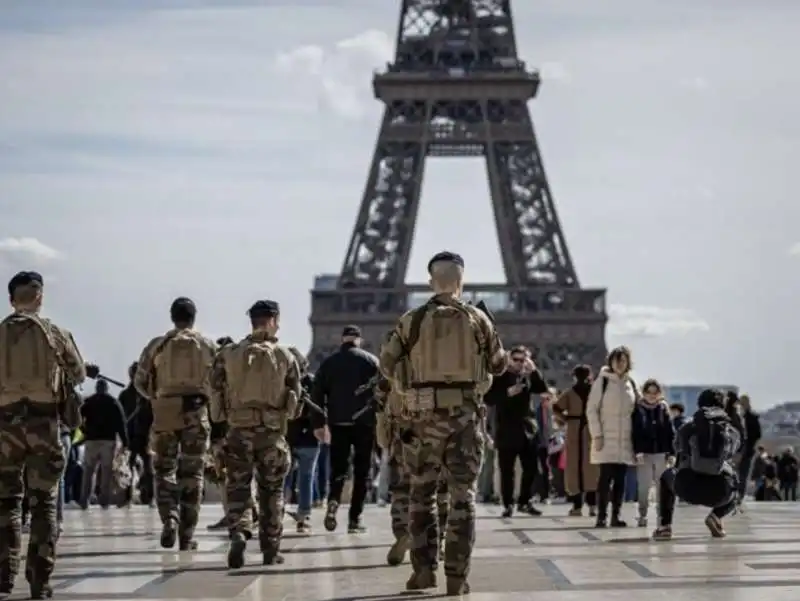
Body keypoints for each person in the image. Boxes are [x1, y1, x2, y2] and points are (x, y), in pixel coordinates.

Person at [379, 251, 508, 595]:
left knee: (421, 494)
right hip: (465, 419)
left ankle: (423, 572)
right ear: (462, 280)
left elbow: (386, 365)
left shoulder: (412, 320)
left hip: (422, 420)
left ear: (430, 281)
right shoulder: (478, 319)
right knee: (463, 497)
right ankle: (456, 577)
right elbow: (498, 366)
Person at [0, 271, 91, 600]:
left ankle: (4, 574)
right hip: (44, 425)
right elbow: (78, 373)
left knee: (5, 502)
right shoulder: (55, 333)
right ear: (39, 297)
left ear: (12, 299)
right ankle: (39, 579)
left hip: (4, 427)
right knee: (44, 504)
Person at [211, 300, 303, 569]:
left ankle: (240, 531)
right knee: (272, 492)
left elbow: (214, 391)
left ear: (251, 321)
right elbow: (294, 405)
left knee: (238, 488)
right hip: (272, 434)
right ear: (274, 320)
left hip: (238, 431)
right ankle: (270, 549)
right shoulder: (287, 356)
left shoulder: (228, 353)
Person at [134, 297, 216, 551]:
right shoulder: (207, 345)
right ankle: (187, 535)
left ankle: (169, 516)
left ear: (172, 317)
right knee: (193, 473)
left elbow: (140, 380)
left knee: (163, 470)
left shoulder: (158, 345)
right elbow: (220, 382)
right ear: (193, 317)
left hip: (165, 413)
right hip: (196, 412)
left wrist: (157, 398)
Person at [375, 376, 449, 567]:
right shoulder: (441, 355)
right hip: (437, 431)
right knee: (438, 490)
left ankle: (402, 533)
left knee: (402, 489)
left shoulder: (400, 349)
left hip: (404, 433)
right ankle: (437, 541)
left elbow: (381, 390)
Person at [312, 324, 379, 533]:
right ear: (358, 339)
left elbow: (316, 395)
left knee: (338, 469)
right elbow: (382, 392)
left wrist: (318, 423)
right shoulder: (371, 361)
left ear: (342, 340)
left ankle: (333, 502)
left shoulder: (329, 363)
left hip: (337, 423)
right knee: (362, 472)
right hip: (364, 424)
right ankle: (354, 519)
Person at [652, 389, 741, 540]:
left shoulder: (686, 428)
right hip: (719, 492)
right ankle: (716, 516)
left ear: (699, 405)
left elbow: (678, 451)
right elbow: (734, 454)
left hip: (687, 487)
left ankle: (664, 526)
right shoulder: (731, 432)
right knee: (736, 482)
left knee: (666, 476)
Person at [483, 344, 547, 517]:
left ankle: (524, 501)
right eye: (516, 359)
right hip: (506, 429)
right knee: (507, 471)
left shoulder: (528, 376)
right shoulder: (500, 377)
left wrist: (534, 371)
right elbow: (488, 398)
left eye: (523, 360)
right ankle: (508, 504)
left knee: (532, 468)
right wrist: (508, 393)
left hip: (527, 429)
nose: (519, 363)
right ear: (509, 359)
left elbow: (542, 388)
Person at [586, 346, 638, 528]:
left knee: (620, 481)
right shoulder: (602, 382)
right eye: (617, 360)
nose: (620, 364)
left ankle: (616, 516)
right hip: (606, 438)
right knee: (605, 479)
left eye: (623, 360)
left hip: (625, 440)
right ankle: (601, 516)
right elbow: (591, 409)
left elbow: (636, 412)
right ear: (611, 361)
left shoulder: (631, 384)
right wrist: (597, 435)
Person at [285, 346, 326, 534]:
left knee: (282, 477)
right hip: (309, 436)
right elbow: (320, 409)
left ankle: (277, 511)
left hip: (289, 436)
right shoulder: (313, 381)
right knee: (306, 477)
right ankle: (304, 515)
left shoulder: (283, 382)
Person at [553, 364, 599, 517]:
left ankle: (577, 505)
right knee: (591, 467)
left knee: (574, 467)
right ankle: (592, 505)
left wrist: (566, 419)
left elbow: (556, 407)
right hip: (589, 429)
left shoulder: (570, 393)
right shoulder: (595, 392)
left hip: (574, 429)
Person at [78, 379, 129, 509]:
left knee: (89, 471)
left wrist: (85, 431)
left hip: (91, 440)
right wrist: (125, 442)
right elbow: (121, 423)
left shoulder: (89, 402)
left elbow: (78, 418)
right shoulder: (113, 402)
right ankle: (104, 500)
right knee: (106, 472)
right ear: (106, 389)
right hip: (108, 441)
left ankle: (85, 500)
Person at [631, 379, 674, 527]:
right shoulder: (638, 409)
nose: (651, 395)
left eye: (654, 392)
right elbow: (635, 432)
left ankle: (661, 514)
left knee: (662, 485)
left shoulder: (663, 409)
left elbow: (670, 432)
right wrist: (637, 451)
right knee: (644, 486)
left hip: (661, 452)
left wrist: (672, 453)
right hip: (644, 453)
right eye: (648, 392)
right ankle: (642, 514)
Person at [118, 361, 154, 505]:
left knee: (149, 468)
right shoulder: (126, 395)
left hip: (145, 436)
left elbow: (153, 416)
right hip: (131, 436)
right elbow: (121, 418)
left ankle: (150, 497)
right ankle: (127, 498)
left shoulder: (147, 395)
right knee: (128, 467)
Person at [737, 393, 761, 501]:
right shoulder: (736, 416)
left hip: (747, 449)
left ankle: (739, 496)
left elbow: (757, 434)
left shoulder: (751, 417)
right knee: (737, 473)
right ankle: (735, 495)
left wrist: (749, 443)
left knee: (743, 473)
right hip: (737, 448)